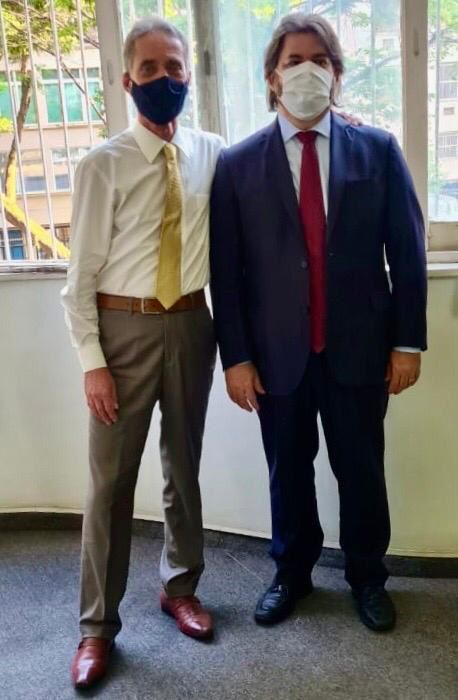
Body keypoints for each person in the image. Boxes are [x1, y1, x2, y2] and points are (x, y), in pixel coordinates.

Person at [210, 13, 427, 633]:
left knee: (361, 470)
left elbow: (407, 252)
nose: (307, 70)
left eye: (320, 59)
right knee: (288, 472)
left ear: (336, 73)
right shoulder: (237, 164)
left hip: (358, 349)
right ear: (272, 78)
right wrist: (236, 358)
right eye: (293, 60)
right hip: (276, 356)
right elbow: (227, 272)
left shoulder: (377, 150)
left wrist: (407, 343)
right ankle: (291, 573)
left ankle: (367, 576)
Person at [62, 16, 224, 689]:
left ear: (189, 74)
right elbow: (78, 281)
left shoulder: (213, 152)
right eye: (150, 69)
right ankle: (97, 627)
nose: (165, 78)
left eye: (174, 67)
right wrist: (93, 363)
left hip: (190, 324)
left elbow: (266, 174)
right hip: (121, 330)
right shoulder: (102, 165)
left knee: (183, 466)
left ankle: (179, 587)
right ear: (128, 81)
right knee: (110, 484)